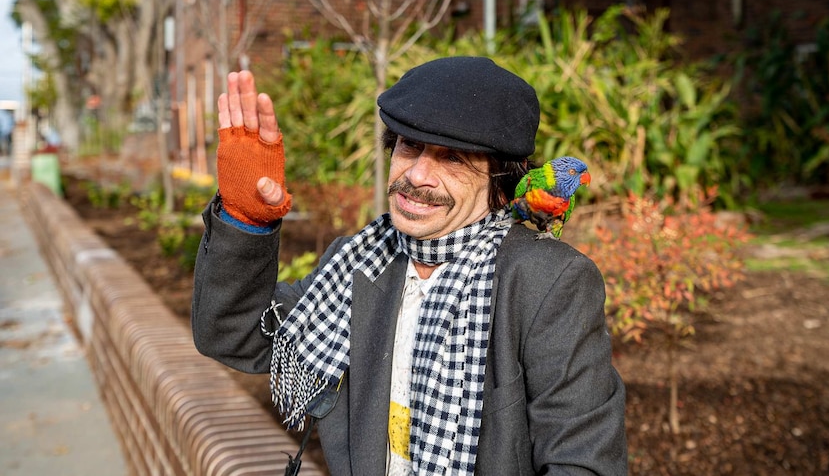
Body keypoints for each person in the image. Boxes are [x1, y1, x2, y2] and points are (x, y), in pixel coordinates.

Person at [192, 57, 628, 475]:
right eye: (411, 146)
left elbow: (583, 462)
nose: (417, 174)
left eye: (453, 158)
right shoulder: (359, 264)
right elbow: (236, 335)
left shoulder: (548, 282)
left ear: (501, 183)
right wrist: (246, 221)